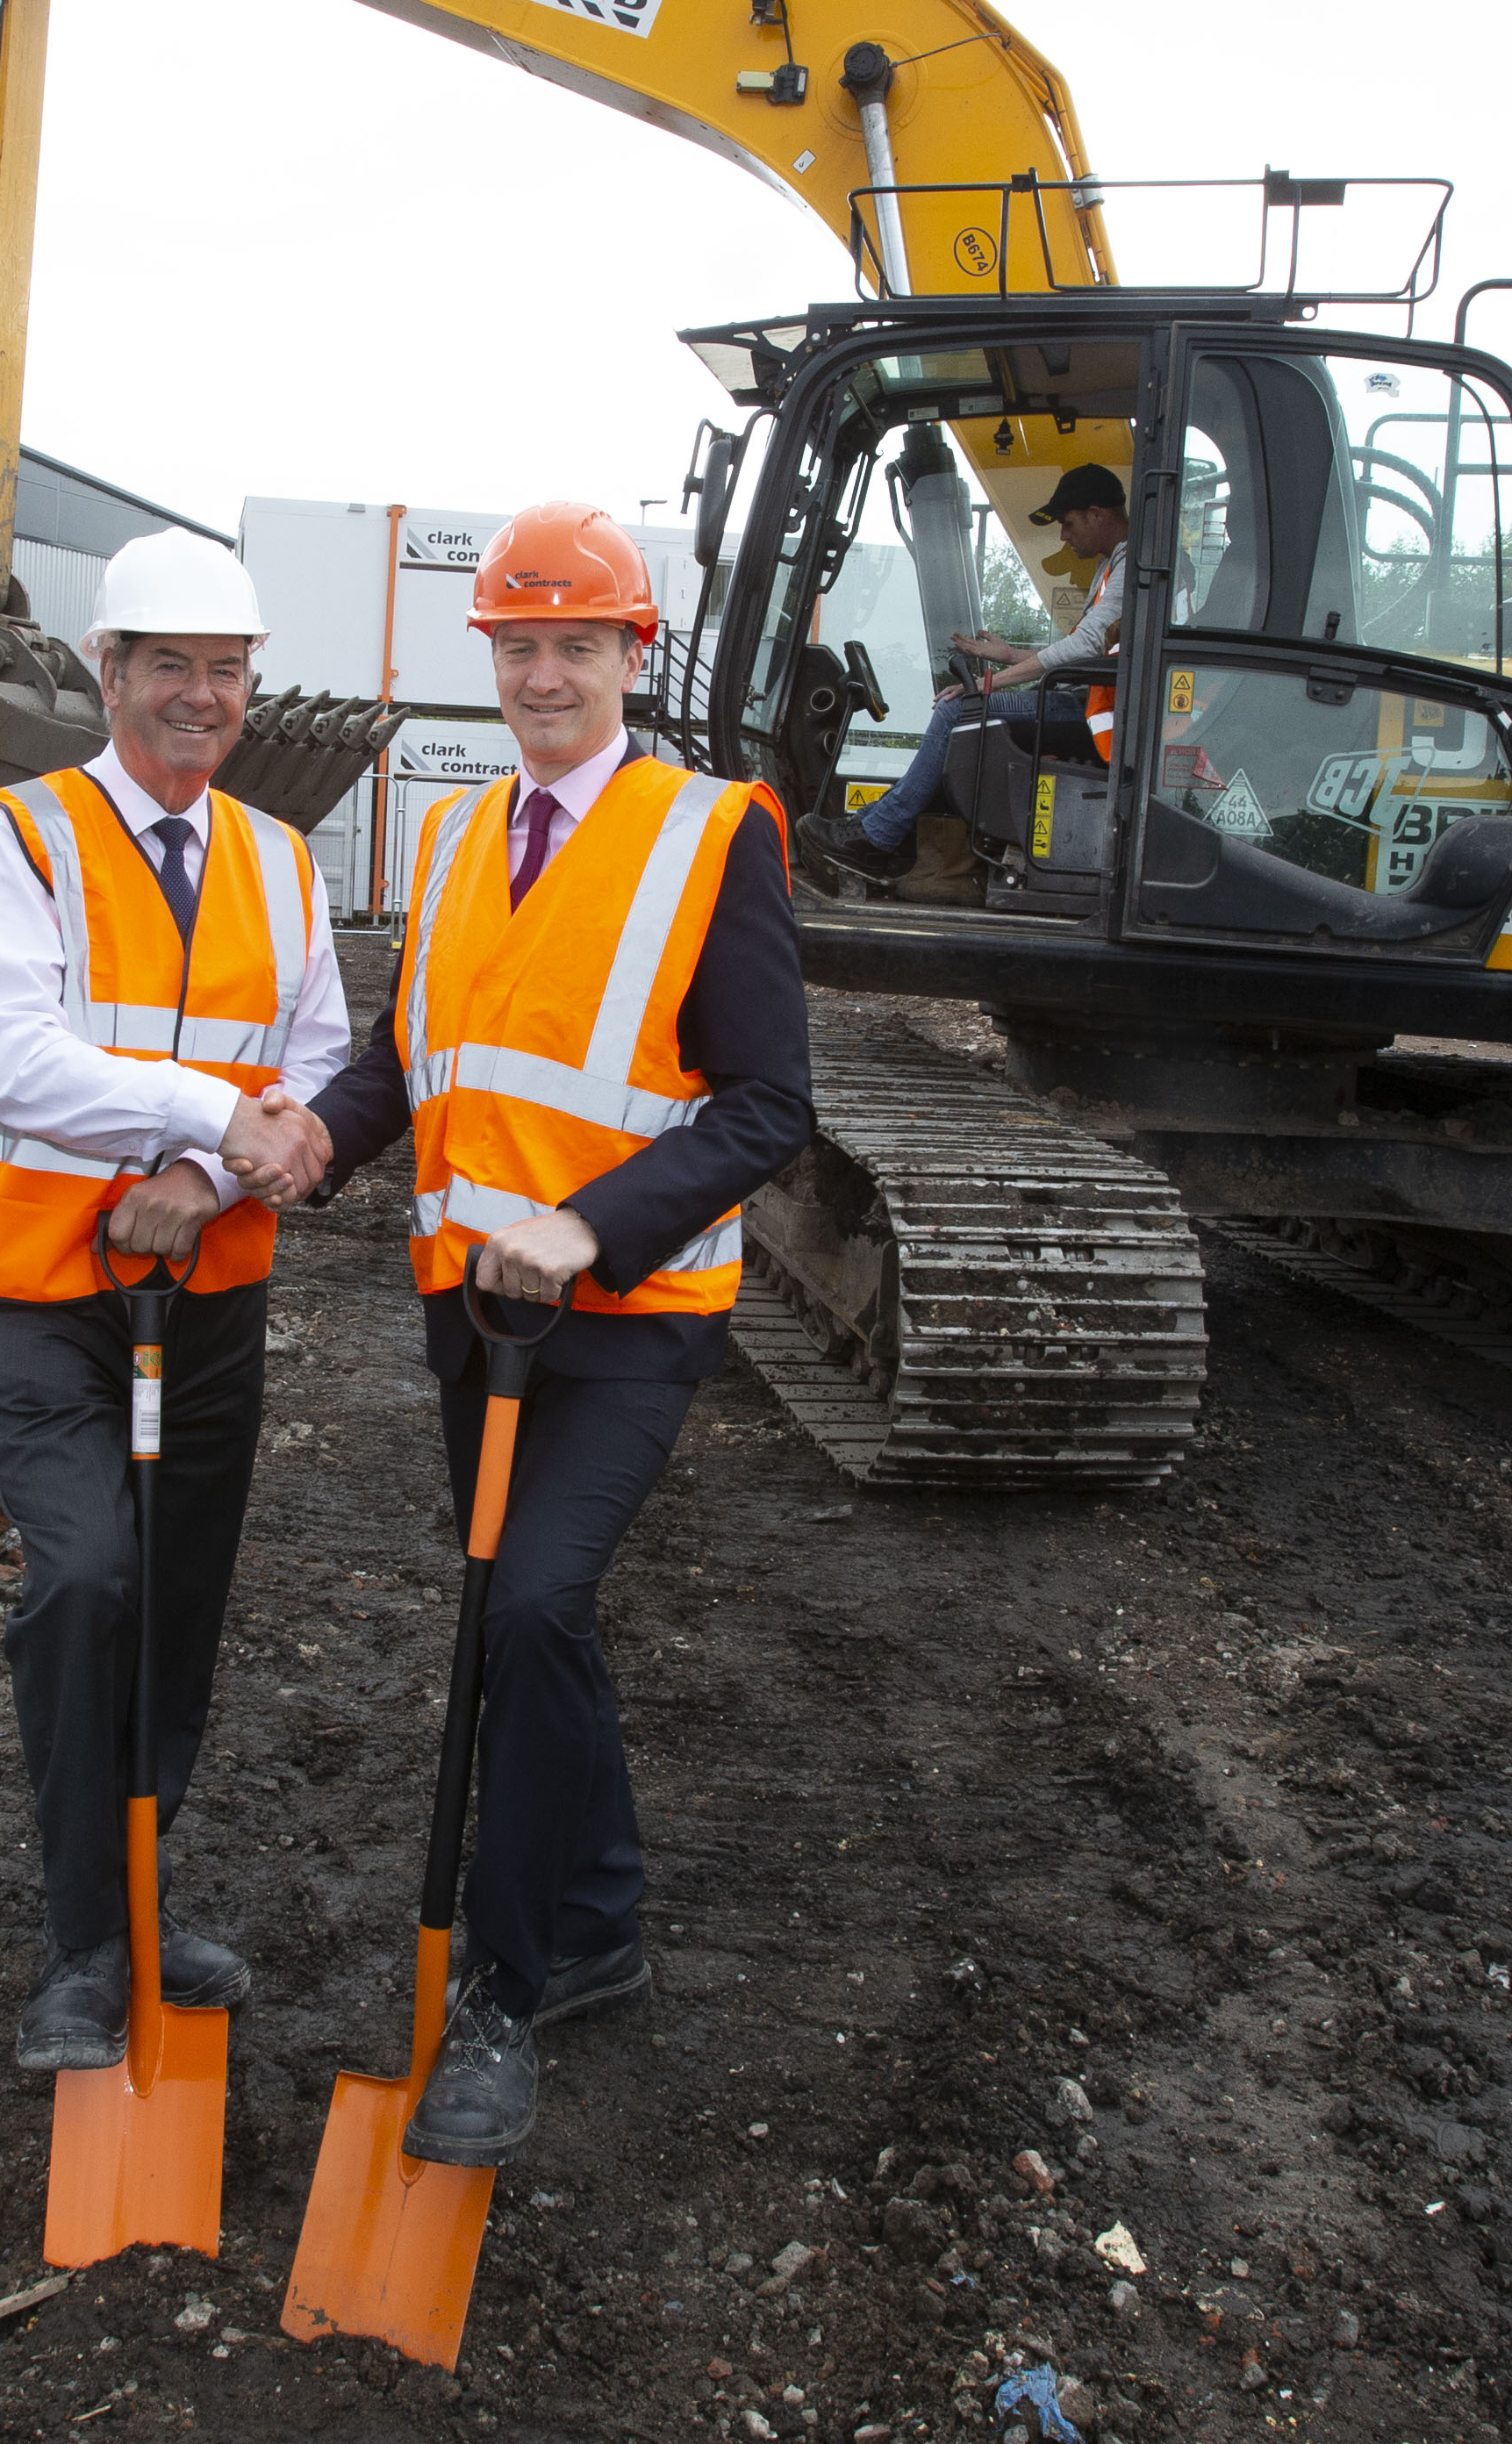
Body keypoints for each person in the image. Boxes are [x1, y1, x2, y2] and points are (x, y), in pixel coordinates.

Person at [307, 499, 813, 2167]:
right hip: (474, 1316)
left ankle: (508, 1986)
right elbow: (411, 1060)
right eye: (515, 647)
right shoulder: (459, 842)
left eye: (570, 646)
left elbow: (764, 1109)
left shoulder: (709, 832)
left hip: (623, 1317)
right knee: (540, 1625)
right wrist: (314, 1139)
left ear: (628, 654)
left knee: (522, 1609)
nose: (539, 674)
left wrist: (591, 1223)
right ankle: (597, 1914)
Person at [0, 527, 344, 2072]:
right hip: (40, 1286)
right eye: (165, 666)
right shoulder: (21, 839)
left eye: (222, 672)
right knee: (87, 1580)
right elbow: (17, 1059)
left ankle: (140, 1898)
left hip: (209, 1288)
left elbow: (309, 1072)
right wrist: (196, 1117)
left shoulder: (276, 859)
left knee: (175, 1607)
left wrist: (216, 1179)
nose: (197, 698)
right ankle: (80, 1942)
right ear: (104, 674)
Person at [798, 460, 1136, 899]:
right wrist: (1009, 654)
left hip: (1097, 715)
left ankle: (875, 839)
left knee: (960, 709)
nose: (1063, 535)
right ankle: (873, 826)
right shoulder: (1117, 564)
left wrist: (996, 680)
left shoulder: (1132, 565)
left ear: (1097, 513)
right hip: (1087, 703)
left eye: (1069, 523)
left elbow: (1086, 647)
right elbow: (1082, 653)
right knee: (961, 710)